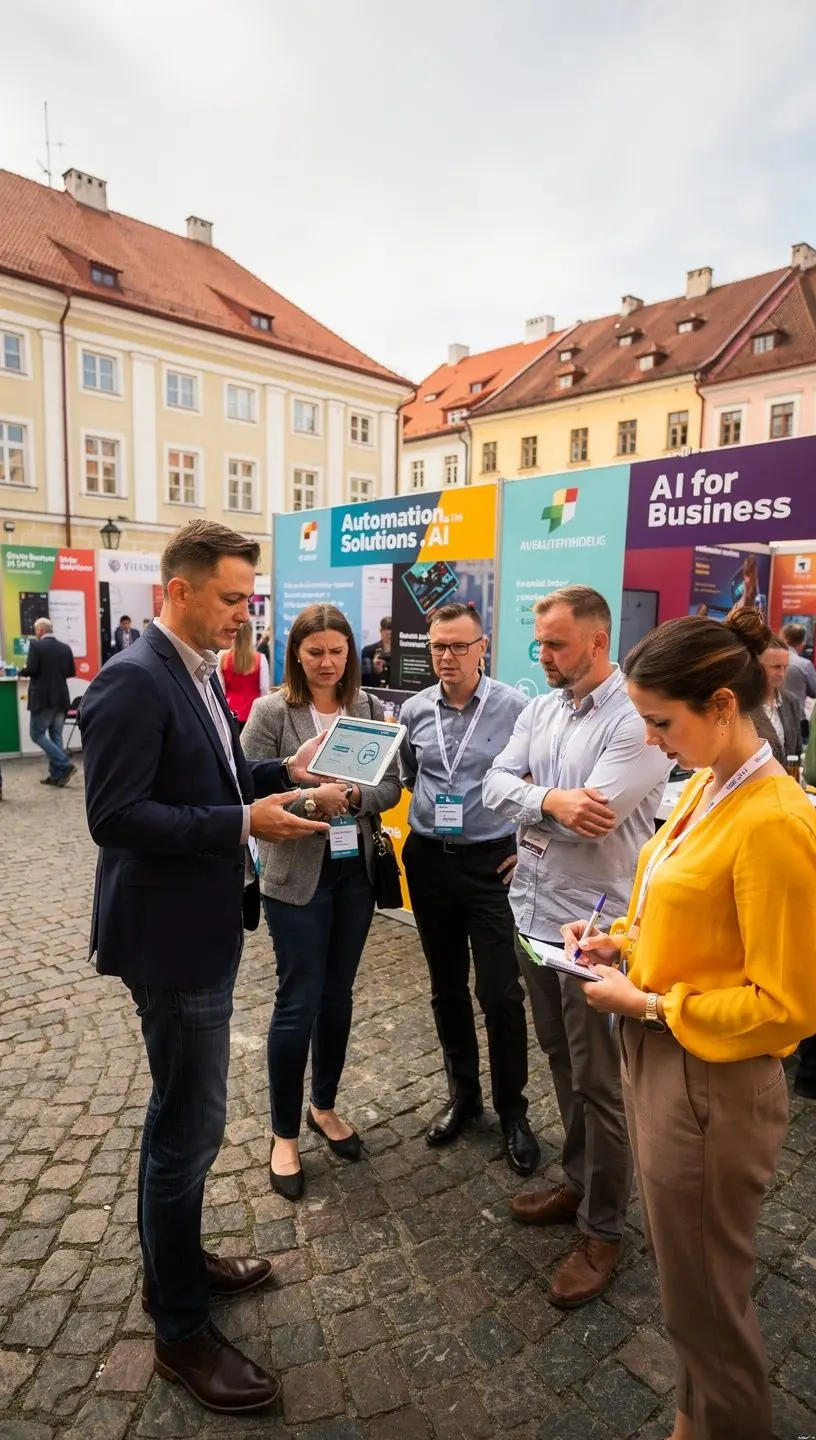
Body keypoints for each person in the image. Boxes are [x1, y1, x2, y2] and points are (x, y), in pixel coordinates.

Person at [79, 520, 330, 1417]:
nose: (241, 614)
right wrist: (243, 825)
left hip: (202, 927)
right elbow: (115, 817)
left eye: (247, 600)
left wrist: (274, 773)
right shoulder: (132, 679)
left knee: (184, 1120)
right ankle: (179, 1327)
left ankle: (177, 1265)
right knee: (188, 1127)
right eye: (230, 598)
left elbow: (208, 778)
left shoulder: (193, 671)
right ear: (177, 590)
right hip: (169, 939)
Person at [565, 607, 816, 1440]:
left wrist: (649, 1004)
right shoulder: (712, 785)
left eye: (659, 722)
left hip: (710, 1076)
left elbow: (787, 1006)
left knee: (708, 1300)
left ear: (719, 705)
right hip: (667, 1056)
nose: (650, 738)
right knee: (687, 1286)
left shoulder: (775, 820)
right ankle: (692, 1420)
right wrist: (622, 941)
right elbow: (692, 922)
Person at [482, 586, 669, 1308]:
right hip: (533, 910)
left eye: (555, 644)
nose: (542, 656)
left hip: (595, 930)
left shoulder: (635, 720)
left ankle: (605, 1228)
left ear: (597, 642)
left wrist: (541, 800)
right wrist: (547, 799)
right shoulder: (541, 707)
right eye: (540, 642)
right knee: (562, 1059)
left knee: (600, 1081)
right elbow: (491, 783)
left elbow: (598, 818)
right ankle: (581, 1180)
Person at [242, 603, 400, 1199]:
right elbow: (245, 783)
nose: (328, 662)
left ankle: (323, 1105)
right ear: (297, 655)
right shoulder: (271, 711)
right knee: (298, 999)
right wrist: (315, 800)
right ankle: (284, 1133)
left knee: (338, 996)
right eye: (316, 652)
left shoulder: (367, 709)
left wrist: (355, 799)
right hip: (294, 878)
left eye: (337, 651)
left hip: (352, 873)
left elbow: (390, 784)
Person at [399, 603, 539, 1175]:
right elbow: (411, 775)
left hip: (491, 864)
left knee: (502, 992)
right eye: (437, 646)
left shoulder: (515, 708)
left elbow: (541, 783)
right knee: (446, 987)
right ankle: (465, 1096)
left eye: (458, 646)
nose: (447, 657)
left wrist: (524, 848)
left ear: (484, 646)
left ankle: (513, 1110)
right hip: (430, 860)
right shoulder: (412, 709)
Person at [19, 617, 76, 788]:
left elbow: (32, 669)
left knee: (37, 734)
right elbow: (71, 671)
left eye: (36, 630)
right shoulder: (65, 647)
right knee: (56, 735)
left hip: (43, 698)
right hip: (61, 698)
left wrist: (22, 671)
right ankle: (57, 775)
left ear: (40, 630)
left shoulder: (36, 646)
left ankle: (64, 763)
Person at [754, 634, 800, 765]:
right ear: (758, 667)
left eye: (785, 667)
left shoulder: (791, 702)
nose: (782, 674)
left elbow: (795, 752)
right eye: (776, 667)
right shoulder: (746, 706)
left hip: (786, 781)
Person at [217, 622, 270, 731]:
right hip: (254, 714)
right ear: (251, 635)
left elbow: (220, 691)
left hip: (230, 713)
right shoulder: (260, 659)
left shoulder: (223, 659)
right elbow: (264, 690)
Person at [782, 622, 816, 741]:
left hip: (775, 717)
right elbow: (814, 691)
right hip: (797, 719)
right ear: (801, 644)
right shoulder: (804, 665)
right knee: (796, 755)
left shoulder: (769, 660)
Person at [361, 615, 391, 688]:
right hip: (375, 690)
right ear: (381, 631)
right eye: (388, 634)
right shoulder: (368, 650)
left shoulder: (401, 653)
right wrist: (375, 671)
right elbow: (364, 680)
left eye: (392, 634)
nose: (390, 636)